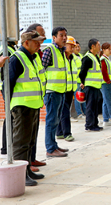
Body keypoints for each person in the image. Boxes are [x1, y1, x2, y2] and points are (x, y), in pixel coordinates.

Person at [8, 31, 46, 186]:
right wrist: (9, 106)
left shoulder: (33, 57)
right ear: (26, 43)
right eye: (35, 42)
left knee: (30, 142)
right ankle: (20, 175)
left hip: (33, 104)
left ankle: (27, 169)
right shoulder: (17, 59)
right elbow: (8, 84)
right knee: (21, 142)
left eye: (40, 41)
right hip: (22, 106)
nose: (39, 44)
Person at [42, 27, 70, 158]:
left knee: (56, 120)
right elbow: (41, 70)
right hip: (52, 91)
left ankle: (54, 145)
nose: (64, 38)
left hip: (60, 90)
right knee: (51, 120)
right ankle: (50, 149)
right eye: (61, 35)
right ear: (54, 37)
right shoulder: (49, 51)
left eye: (65, 35)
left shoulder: (61, 52)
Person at [25, 23, 47, 169]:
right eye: (39, 36)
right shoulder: (21, 56)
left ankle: (32, 159)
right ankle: (25, 165)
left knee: (33, 135)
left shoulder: (37, 54)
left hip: (36, 100)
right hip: (24, 102)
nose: (41, 40)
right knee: (24, 138)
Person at [56, 36, 79, 142]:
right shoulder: (62, 58)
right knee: (65, 111)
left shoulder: (73, 58)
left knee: (63, 110)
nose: (73, 47)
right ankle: (67, 133)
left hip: (70, 88)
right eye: (71, 45)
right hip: (63, 88)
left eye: (73, 46)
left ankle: (60, 132)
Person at [0, 40, 16, 160]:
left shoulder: (11, 48)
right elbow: (4, 71)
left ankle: (7, 147)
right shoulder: (6, 49)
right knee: (9, 118)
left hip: (8, 88)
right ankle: (5, 149)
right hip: (7, 88)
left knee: (11, 117)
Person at [79, 39, 103, 131]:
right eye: (98, 45)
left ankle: (95, 124)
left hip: (96, 86)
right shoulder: (87, 58)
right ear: (93, 46)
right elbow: (82, 73)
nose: (99, 47)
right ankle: (89, 125)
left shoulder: (96, 57)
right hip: (90, 86)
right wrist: (83, 83)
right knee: (90, 106)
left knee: (95, 106)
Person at [73, 41, 86, 119]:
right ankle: (79, 114)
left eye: (78, 46)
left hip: (82, 81)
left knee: (83, 97)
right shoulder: (72, 57)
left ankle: (85, 112)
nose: (77, 48)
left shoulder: (81, 56)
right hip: (76, 81)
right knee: (77, 97)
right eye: (76, 47)